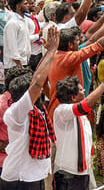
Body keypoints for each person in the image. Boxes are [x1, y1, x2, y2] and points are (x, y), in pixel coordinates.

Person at [0, 26, 58, 189]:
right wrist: (52, 52)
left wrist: (47, 53)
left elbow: (36, 78)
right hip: (19, 179)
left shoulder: (37, 110)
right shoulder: (16, 112)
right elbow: (38, 83)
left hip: (34, 176)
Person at [52, 64, 104, 190]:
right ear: (73, 97)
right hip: (68, 175)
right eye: (81, 90)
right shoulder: (61, 111)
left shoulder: (82, 117)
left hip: (84, 172)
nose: (84, 91)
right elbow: (86, 104)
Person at [3, 0, 31, 73]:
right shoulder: (13, 23)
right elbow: (13, 48)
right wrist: (20, 66)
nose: (28, 5)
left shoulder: (24, 20)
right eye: (25, 4)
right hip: (14, 66)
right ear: (18, 6)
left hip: (23, 63)